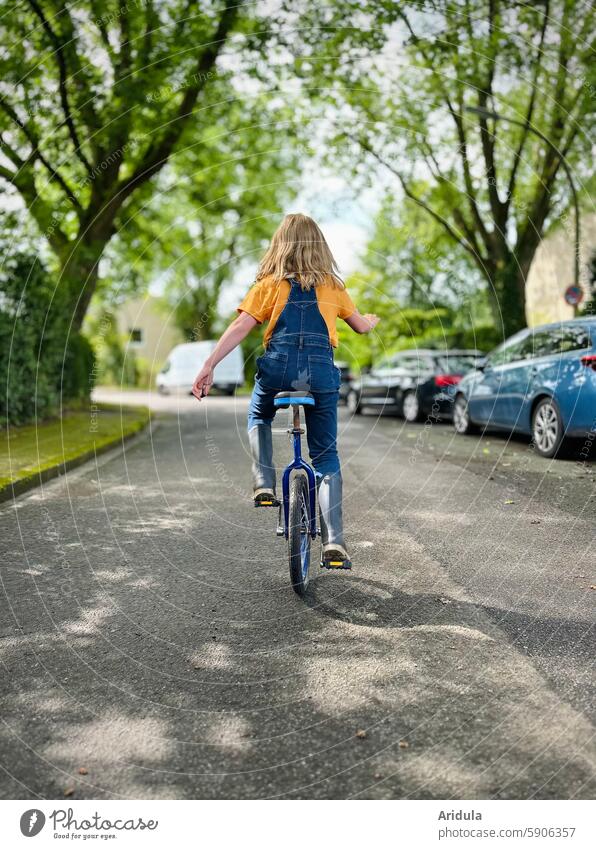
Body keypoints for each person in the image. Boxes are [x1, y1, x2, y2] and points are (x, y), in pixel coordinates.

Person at [192, 213, 379, 568]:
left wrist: (209, 364)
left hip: (278, 371)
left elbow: (240, 325)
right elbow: (360, 328)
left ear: (281, 245)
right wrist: (368, 321)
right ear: (319, 246)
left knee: (258, 413)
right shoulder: (333, 287)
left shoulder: (268, 284)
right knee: (325, 456)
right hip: (320, 375)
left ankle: (263, 481)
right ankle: (334, 541)